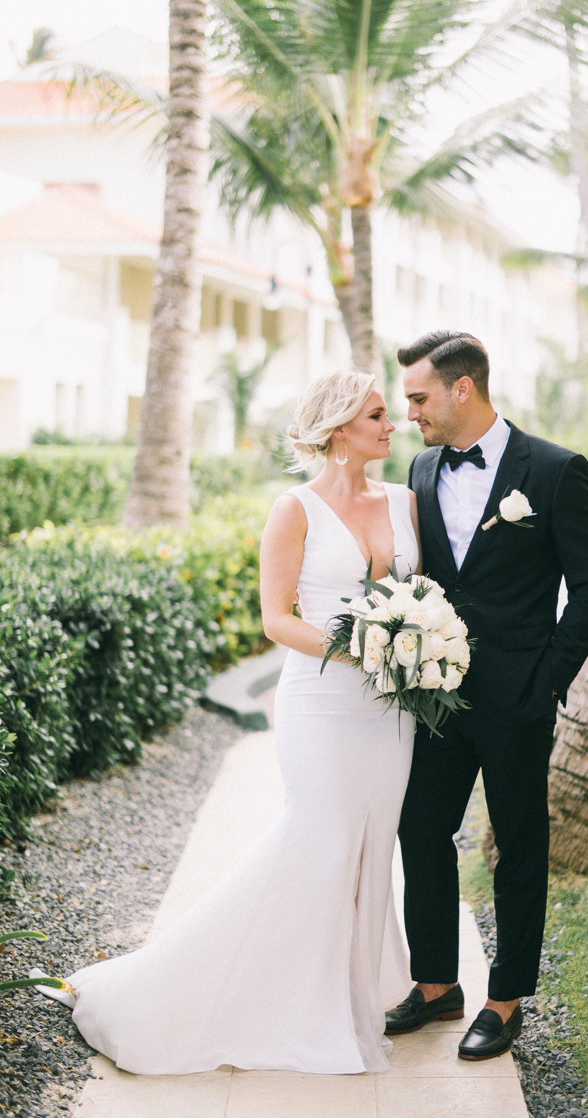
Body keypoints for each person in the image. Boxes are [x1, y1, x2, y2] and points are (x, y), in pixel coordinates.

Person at [37, 371, 422, 1075]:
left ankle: (343, 1004)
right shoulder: (295, 507)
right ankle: (171, 994)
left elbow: (422, 594)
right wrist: (360, 646)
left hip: (390, 712)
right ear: (340, 428)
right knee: (320, 842)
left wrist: (419, 643)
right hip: (321, 703)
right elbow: (277, 619)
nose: (391, 424)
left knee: (369, 852)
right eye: (377, 414)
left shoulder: (405, 501)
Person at [385, 330, 588, 1062]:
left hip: (519, 697)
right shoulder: (421, 467)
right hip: (437, 697)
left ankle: (506, 998)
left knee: (518, 846)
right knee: (419, 831)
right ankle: (435, 984)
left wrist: (549, 676)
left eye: (419, 396)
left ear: (463, 389)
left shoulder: (552, 470)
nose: (410, 411)